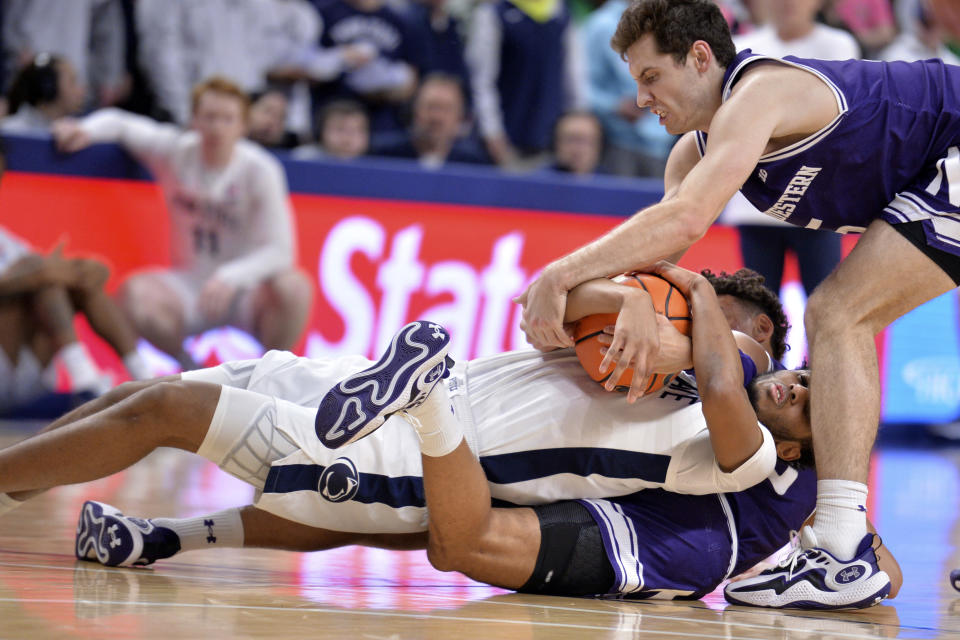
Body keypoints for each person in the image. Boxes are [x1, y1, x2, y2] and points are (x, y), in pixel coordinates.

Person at [1, 264, 840, 601]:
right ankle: (32, 480)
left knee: (168, 418)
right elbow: (560, 304)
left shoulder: (734, 451)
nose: (780, 374)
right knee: (153, 389)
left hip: (407, 459)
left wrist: (697, 303)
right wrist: (620, 297)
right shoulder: (631, 354)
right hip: (375, 387)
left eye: (771, 354)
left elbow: (727, 375)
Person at [514, 0, 960, 609]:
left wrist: (558, 274)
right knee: (839, 314)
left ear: (700, 58)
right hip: (933, 173)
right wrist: (630, 302)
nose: (643, 99)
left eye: (651, 77)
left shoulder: (760, 92)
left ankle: (838, 545)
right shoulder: (690, 153)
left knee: (837, 314)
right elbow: (661, 250)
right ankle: (842, 542)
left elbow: (683, 220)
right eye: (635, 83)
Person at [50, 76, 313, 371]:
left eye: (227, 119)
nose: (217, 127)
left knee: (294, 286)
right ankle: (190, 370)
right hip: (189, 285)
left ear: (243, 125)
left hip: (243, 292)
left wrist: (233, 276)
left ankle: (271, 375)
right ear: (194, 120)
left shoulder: (260, 168)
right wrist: (84, 129)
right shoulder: (176, 151)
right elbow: (121, 124)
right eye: (209, 117)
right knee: (134, 294)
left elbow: (281, 251)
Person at [720, 0, 858, 297]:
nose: (788, 3)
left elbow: (840, 123)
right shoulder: (741, 47)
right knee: (756, 313)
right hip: (753, 206)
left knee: (827, 312)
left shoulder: (838, 45)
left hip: (818, 208)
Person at [371, 73, 488, 168]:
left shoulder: (473, 166)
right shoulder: (383, 157)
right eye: (430, 106)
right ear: (415, 110)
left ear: (460, 117)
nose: (436, 117)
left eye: (446, 109)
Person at [1, 53, 86, 133]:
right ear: (49, 88)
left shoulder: (75, 134)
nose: (81, 90)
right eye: (72, 82)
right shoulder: (10, 133)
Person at [294, 99, 370, 160]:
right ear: (321, 131)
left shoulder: (376, 165)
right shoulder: (301, 158)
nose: (346, 139)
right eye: (339, 129)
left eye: (354, 131)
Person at [547, 110, 605, 176]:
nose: (578, 149)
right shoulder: (539, 180)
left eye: (584, 141)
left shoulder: (612, 182)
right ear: (556, 143)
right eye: (571, 140)